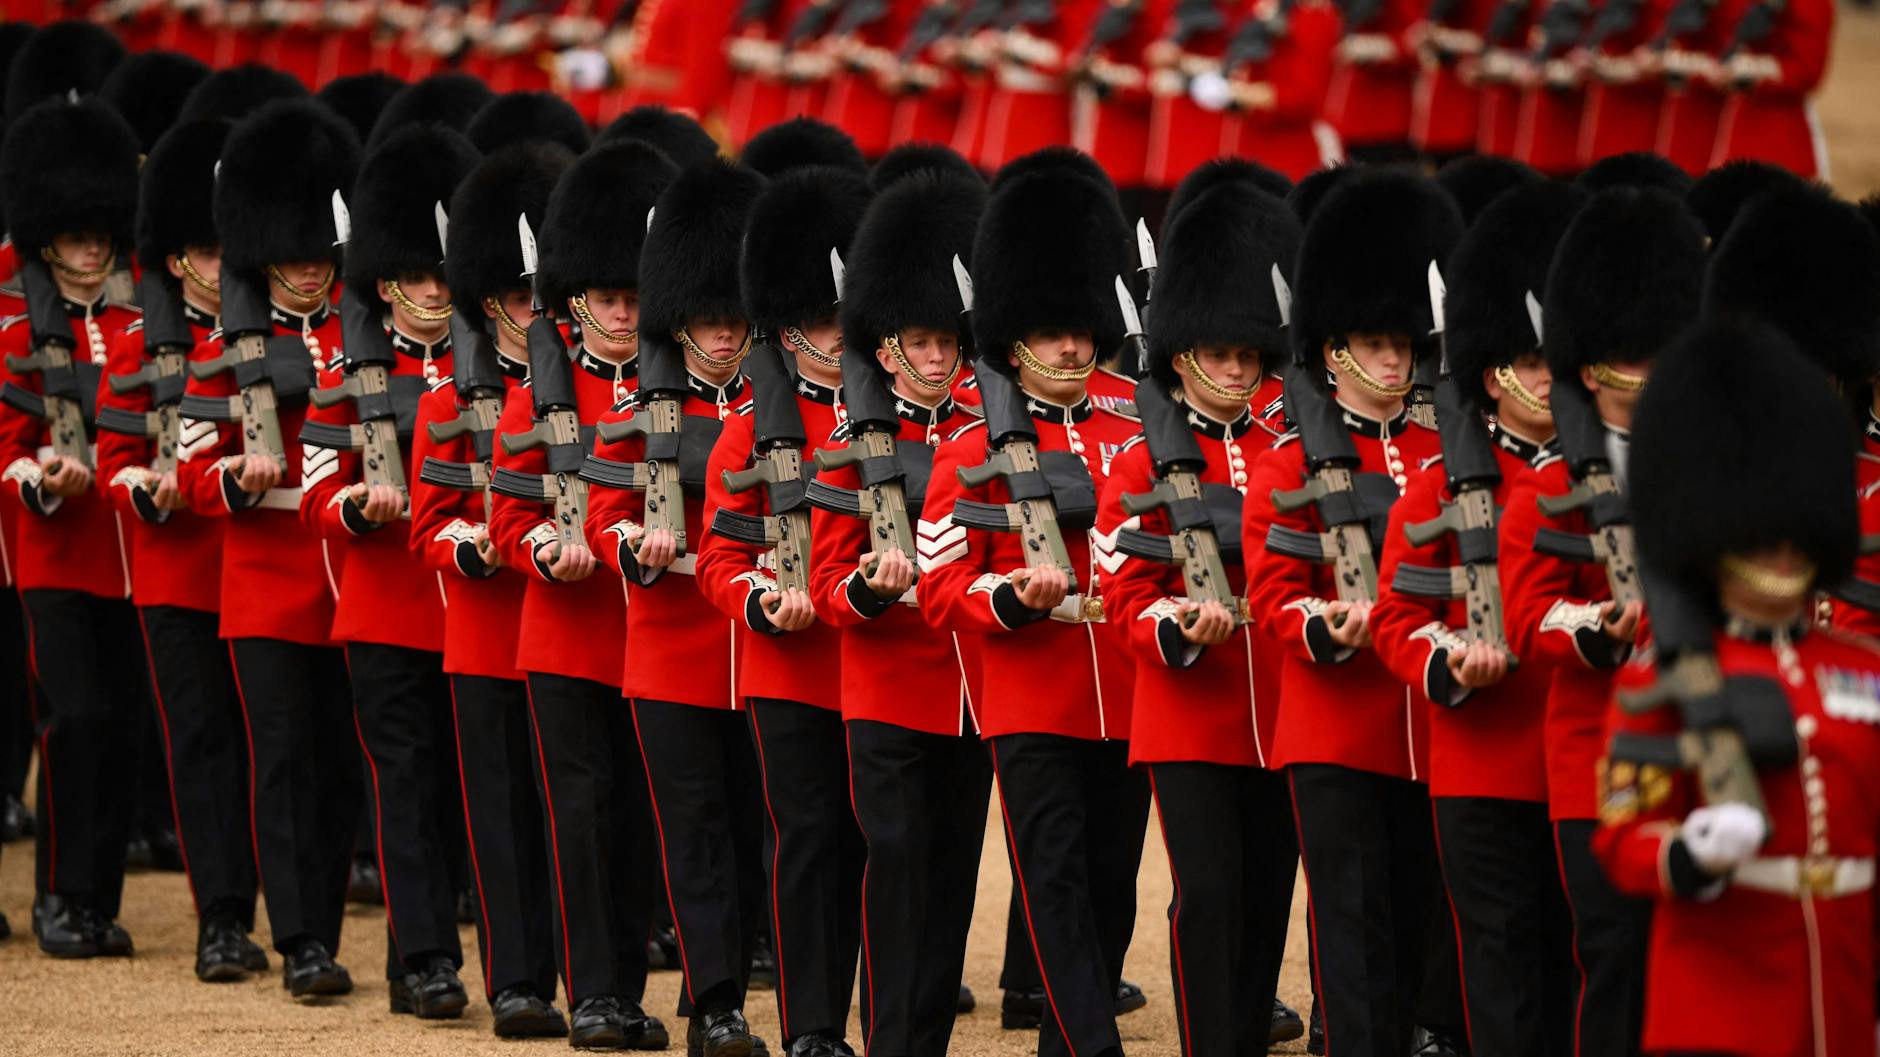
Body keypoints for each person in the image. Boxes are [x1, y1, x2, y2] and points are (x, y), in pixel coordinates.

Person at [1594, 320, 1880, 1057]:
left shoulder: (1860, 666)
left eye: (1793, 533)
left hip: (1842, 999)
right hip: (1724, 1007)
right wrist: (1690, 852)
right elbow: (1623, 833)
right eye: (1761, 536)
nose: (1782, 552)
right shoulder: (1663, 678)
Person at [920, 148, 1148, 1057]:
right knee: (1051, 875)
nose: (1071, 345)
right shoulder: (974, 438)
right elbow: (941, 575)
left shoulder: (1136, 418)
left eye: (1080, 327)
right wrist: (1009, 598)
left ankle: (1067, 1040)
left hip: (1126, 685)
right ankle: (1093, 1045)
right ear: (1014, 339)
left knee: (1113, 880)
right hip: (1030, 687)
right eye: (1051, 331)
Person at [1241, 169, 1462, 1056]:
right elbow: (1272, 596)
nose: (1395, 360)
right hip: (1335, 721)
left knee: (1418, 920)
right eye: (1375, 344)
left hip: (1427, 721)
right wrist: (1320, 628)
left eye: (1403, 344)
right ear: (1333, 352)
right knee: (1353, 929)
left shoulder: (1442, 454)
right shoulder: (1292, 461)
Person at [1370, 179, 1582, 1057]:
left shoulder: (1598, 480)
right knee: (1494, 957)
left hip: (1577, 753)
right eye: (1534, 364)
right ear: (1495, 373)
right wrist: (1448, 657)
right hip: (1482, 753)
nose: (1549, 377)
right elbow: (1395, 616)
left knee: (1570, 954)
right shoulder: (1434, 486)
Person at [1096, 165, 1302, 1056]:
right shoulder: (1144, 461)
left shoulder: (1287, 451)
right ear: (1181, 355)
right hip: (1187, 708)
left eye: (1248, 355)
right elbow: (1121, 588)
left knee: (1266, 893)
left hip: (1279, 703)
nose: (1236, 370)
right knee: (1209, 891)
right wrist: (1177, 626)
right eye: (1220, 355)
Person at [1498, 186, 1707, 1057]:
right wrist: (1598, 623)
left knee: (1691, 958)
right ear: (1593, 369)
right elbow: (1525, 618)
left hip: (1700, 740)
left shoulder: (1709, 469)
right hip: (1598, 754)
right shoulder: (1550, 486)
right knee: (1613, 953)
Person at [487, 137, 679, 1052]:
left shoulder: (671, 387)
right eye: (607, 297)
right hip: (563, 625)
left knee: (639, 812)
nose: (621, 313)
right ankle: (591, 989)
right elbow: (503, 515)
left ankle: (626, 987)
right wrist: (542, 549)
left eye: (636, 297)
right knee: (580, 808)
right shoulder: (539, 390)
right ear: (576, 298)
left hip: (647, 632)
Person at [810, 150, 993, 1057]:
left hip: (966, 686)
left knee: (953, 874)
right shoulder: (852, 441)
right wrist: (865, 591)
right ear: (886, 348)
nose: (934, 357)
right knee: (896, 867)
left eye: (945, 342)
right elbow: (825, 575)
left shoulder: (989, 434)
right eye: (919, 344)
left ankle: (924, 1039)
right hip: (884, 681)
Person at [584, 156, 769, 1057]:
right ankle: (716, 1004)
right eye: (708, 319)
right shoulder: (636, 406)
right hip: (669, 643)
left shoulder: (783, 406)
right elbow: (605, 515)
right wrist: (637, 551)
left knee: (749, 828)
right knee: (693, 831)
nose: (726, 335)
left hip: (765, 642)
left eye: (736, 317)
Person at [180, 96, 363, 998]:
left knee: (336, 756)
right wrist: (229, 479)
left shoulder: (359, 332)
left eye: (313, 252)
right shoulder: (225, 343)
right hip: (262, 566)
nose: (303, 269)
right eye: (288, 255)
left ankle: (320, 923)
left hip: (347, 568)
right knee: (282, 753)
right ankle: (298, 939)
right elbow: (187, 465)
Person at [299, 122, 480, 1018]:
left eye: (446, 274)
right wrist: (354, 509)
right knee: (402, 779)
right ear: (386, 283)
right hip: (381, 600)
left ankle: (427, 943)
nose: (437, 291)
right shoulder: (349, 368)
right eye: (421, 277)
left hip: (466, 600)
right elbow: (315, 485)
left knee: (452, 781)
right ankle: (424, 958)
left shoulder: (490, 369)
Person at [695, 162, 876, 1057]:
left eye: (848, 320)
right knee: (806, 838)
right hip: (792, 663)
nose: (836, 338)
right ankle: (812, 1024)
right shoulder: (750, 428)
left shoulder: (902, 422)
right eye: (820, 323)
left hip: (877, 663)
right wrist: (762, 599)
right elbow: (719, 560)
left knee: (875, 843)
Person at [93, 113, 273, 982]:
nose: (221, 264)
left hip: (266, 574)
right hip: (181, 571)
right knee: (203, 743)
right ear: (175, 260)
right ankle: (224, 917)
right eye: (205, 252)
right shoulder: (138, 344)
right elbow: (116, 462)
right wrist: (146, 491)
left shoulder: (276, 340)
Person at [409, 139, 576, 1040]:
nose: (532, 312)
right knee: (503, 808)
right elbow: (428, 522)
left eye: (542, 294)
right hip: (487, 625)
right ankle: (517, 976)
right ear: (489, 304)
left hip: (570, 622)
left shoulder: (589, 395)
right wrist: (477, 542)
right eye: (519, 298)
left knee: (579, 811)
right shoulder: (449, 400)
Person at [0, 94, 146, 960]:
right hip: (52, 546)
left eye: (102, 234)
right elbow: (8, 439)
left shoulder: (138, 312)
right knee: (75, 715)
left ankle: (97, 898)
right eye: (77, 236)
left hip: (134, 548)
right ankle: (59, 893)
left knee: (123, 724)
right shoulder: (16, 313)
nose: (92, 250)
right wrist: (40, 476)